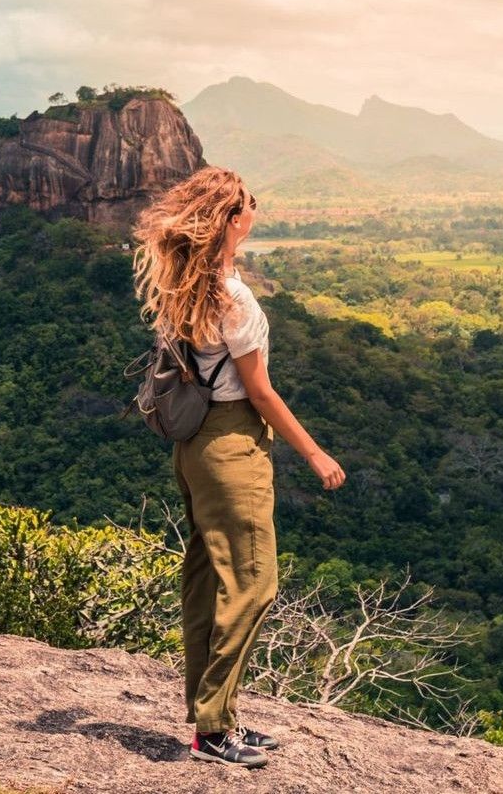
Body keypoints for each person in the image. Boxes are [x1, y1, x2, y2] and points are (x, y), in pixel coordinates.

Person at [131, 166, 346, 768]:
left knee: (207, 578)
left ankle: (214, 720)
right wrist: (314, 453)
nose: (255, 212)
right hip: (231, 445)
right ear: (230, 219)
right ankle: (214, 730)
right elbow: (261, 392)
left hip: (193, 447)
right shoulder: (235, 296)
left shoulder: (185, 284)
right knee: (252, 582)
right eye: (249, 204)